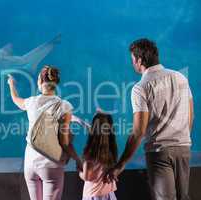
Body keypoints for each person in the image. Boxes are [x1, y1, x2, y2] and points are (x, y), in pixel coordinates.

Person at [105, 38, 194, 200]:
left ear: (140, 60)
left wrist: (121, 164)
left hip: (159, 153)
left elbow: (138, 131)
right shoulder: (181, 78)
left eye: (133, 60)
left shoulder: (141, 87)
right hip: (184, 148)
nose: (132, 64)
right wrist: (182, 139)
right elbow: (190, 114)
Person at [7, 65, 82, 200]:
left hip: (30, 163)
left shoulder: (31, 102)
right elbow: (65, 143)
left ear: (40, 82)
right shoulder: (64, 106)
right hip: (50, 165)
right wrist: (78, 159)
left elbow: (16, 100)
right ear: (56, 84)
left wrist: (11, 84)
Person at [73, 111, 118, 200]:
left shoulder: (90, 153)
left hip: (93, 195)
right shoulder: (111, 149)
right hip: (109, 193)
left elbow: (87, 177)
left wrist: (80, 172)